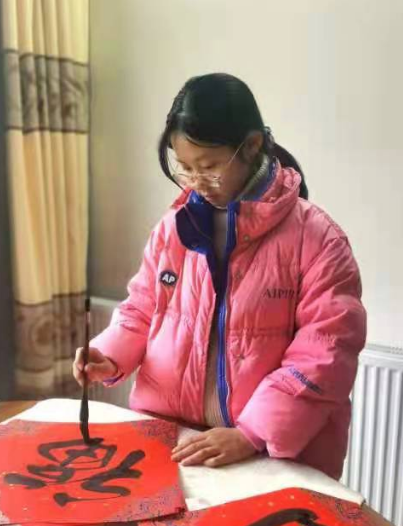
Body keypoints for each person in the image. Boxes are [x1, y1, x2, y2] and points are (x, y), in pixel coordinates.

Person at [73, 73, 367, 480]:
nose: (197, 182)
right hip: (177, 441)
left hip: (271, 454)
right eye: (186, 168)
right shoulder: (174, 228)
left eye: (210, 167)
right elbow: (142, 308)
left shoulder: (317, 239)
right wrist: (109, 355)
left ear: (252, 145)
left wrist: (251, 434)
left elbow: (325, 353)